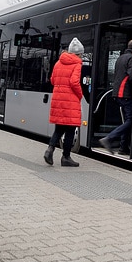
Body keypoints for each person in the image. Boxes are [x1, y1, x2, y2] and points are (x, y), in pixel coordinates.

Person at [44, 37, 84, 167]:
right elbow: (74, 82)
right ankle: (66, 157)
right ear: (78, 54)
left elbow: (53, 80)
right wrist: (80, 94)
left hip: (58, 100)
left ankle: (49, 150)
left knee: (59, 129)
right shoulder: (77, 64)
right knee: (71, 130)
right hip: (70, 101)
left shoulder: (58, 63)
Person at [100, 39, 132, 155]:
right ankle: (109, 138)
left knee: (127, 120)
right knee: (131, 120)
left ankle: (123, 147)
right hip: (125, 93)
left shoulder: (121, 57)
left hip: (117, 93)